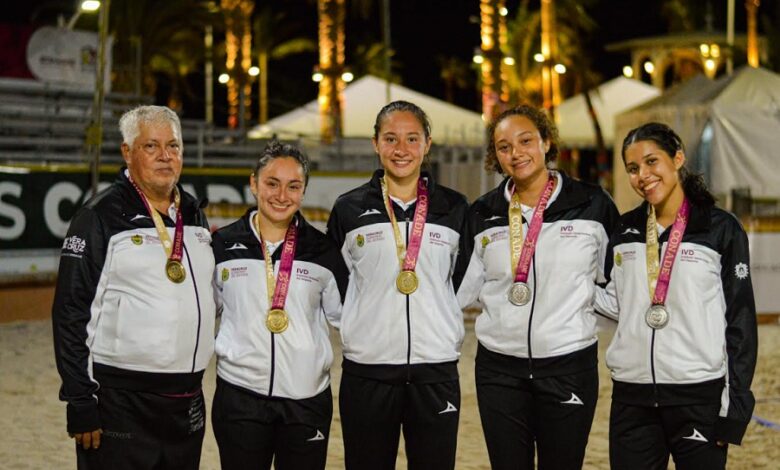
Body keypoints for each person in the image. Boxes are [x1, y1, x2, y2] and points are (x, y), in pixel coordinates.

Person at [454, 105, 619, 469]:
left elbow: (622, 286)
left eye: (525, 140)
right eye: (504, 146)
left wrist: (582, 299)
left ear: (546, 142)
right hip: (499, 371)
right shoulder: (483, 212)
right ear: (495, 157)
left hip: (569, 365)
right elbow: (458, 292)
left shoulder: (592, 204)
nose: (516, 153)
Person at [51, 105, 216, 469]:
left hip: (187, 400)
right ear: (127, 152)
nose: (165, 157)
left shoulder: (193, 213)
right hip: (120, 403)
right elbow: (70, 311)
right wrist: (80, 399)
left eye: (173, 146)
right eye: (151, 147)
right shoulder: (99, 216)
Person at [594, 122, 757, 469]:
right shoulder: (625, 230)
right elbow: (615, 303)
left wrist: (737, 403)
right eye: (633, 169)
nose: (643, 176)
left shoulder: (720, 228)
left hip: (698, 397)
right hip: (632, 399)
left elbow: (740, 320)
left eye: (652, 162)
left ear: (678, 157)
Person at [326, 100, 469, 470]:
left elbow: (460, 280)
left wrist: (440, 324)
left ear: (427, 144)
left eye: (411, 138)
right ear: (375, 143)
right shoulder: (348, 208)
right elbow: (336, 285)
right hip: (368, 371)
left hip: (435, 369)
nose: (400, 150)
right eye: (390, 138)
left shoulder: (454, 208)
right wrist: (363, 330)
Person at [210, 141, 347, 470]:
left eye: (293, 186)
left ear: (303, 191)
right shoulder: (221, 246)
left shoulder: (324, 252)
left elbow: (349, 319)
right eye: (272, 183)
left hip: (306, 401)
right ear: (254, 183)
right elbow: (200, 315)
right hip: (240, 398)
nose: (282, 195)